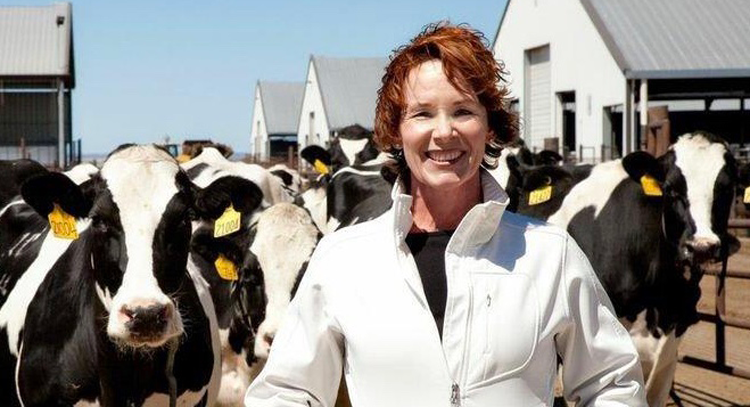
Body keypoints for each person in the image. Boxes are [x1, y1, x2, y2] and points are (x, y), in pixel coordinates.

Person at [245, 22, 646, 406]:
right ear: (396, 131)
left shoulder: (548, 255)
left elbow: (611, 383)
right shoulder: (343, 259)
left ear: (489, 127)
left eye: (463, 111)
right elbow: (284, 391)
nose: (444, 132)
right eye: (422, 114)